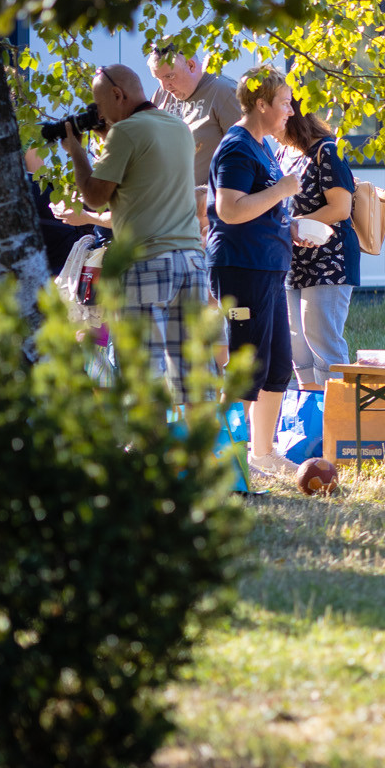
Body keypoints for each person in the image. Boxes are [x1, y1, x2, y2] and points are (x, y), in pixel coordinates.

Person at [59, 63, 204, 396]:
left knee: (143, 378)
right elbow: (142, 173)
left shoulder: (126, 132)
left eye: (100, 105)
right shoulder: (178, 126)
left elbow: (95, 198)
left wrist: (76, 150)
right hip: (190, 262)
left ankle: (148, 433)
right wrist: (106, 135)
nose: (100, 114)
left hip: (147, 262)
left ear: (117, 94)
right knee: (191, 378)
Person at [207, 68, 302, 478]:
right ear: (261, 104)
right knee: (247, 368)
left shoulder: (262, 146)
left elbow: (258, 207)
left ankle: (262, 453)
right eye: (284, 103)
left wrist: (289, 227)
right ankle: (224, 460)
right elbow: (229, 209)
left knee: (277, 365)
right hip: (242, 268)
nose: (291, 111)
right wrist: (282, 190)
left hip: (267, 267)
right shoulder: (237, 146)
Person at [277, 107, 359, 391]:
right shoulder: (282, 153)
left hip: (330, 260)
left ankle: (338, 412)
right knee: (297, 345)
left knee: (321, 339)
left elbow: (340, 208)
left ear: (291, 115)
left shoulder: (328, 151)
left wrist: (294, 224)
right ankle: (312, 412)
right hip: (293, 258)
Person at [148, 45, 241, 231]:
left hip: (207, 220)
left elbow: (244, 158)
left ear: (191, 65)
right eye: (158, 79)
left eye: (169, 76)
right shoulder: (162, 95)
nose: (164, 86)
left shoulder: (224, 91)